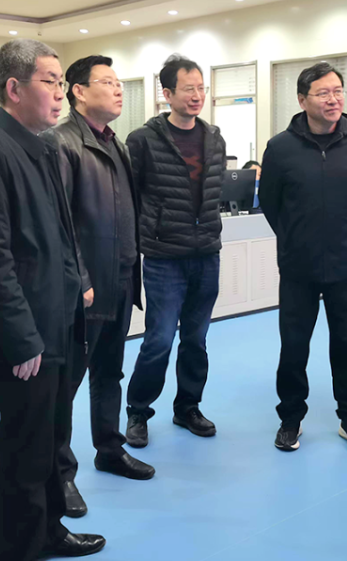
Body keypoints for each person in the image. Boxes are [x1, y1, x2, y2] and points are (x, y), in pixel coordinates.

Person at [0, 39, 105, 560]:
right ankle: (19, 550)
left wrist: (78, 284)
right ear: (14, 88)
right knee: (25, 454)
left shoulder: (43, 146)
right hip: (24, 337)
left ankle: (50, 532)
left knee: (51, 442)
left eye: (61, 83)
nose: (60, 93)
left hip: (57, 322)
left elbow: (60, 232)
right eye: (50, 82)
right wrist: (20, 338)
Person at [42, 55, 154, 519]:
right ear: (79, 91)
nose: (118, 89)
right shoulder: (62, 143)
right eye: (107, 82)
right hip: (83, 289)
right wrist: (81, 279)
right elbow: (59, 221)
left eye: (119, 82)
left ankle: (109, 449)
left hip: (121, 278)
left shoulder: (115, 143)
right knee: (65, 385)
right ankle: (59, 474)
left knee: (109, 372)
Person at [259, 62, 347, 453]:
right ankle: (290, 420)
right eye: (323, 93)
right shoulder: (280, 148)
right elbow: (271, 204)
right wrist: (297, 237)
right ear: (302, 100)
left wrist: (341, 232)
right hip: (299, 266)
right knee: (294, 348)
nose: (333, 99)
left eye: (338, 91)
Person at [124, 54, 226, 447]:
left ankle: (188, 408)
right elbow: (130, 198)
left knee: (196, 340)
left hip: (206, 254)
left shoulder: (214, 138)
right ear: (167, 94)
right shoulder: (143, 140)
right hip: (164, 256)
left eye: (201, 88)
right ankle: (138, 411)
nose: (197, 95)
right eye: (188, 89)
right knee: (160, 340)